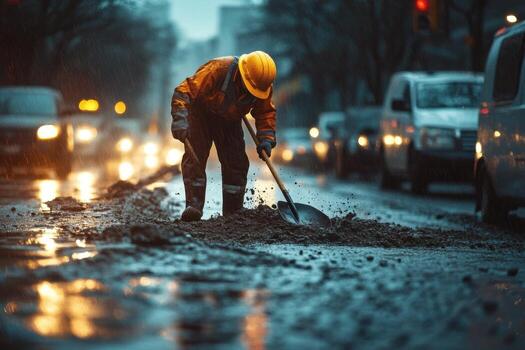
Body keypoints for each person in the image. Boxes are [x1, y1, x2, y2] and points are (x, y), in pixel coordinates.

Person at [171, 51, 277, 221]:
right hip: (200, 115)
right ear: (243, 75)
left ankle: (233, 213)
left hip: (230, 120)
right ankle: (194, 207)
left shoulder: (261, 83)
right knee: (195, 159)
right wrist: (180, 120)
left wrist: (266, 139)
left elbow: (265, 113)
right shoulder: (218, 69)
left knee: (237, 163)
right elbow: (183, 92)